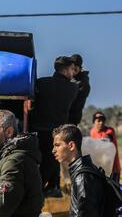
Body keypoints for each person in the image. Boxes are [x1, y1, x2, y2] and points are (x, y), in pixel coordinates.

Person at [29, 56, 78, 198]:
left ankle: (52, 187)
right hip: (55, 134)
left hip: (35, 130)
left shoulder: (41, 83)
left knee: (40, 163)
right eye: (72, 70)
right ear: (67, 70)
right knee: (50, 162)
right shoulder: (72, 88)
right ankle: (38, 191)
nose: (73, 73)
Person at [52, 124, 107, 217]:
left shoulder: (82, 177)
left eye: (57, 145)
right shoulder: (83, 171)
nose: (53, 150)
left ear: (71, 146)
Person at [90, 111, 120, 183]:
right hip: (101, 169)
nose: (101, 122)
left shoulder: (109, 131)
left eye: (102, 120)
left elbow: (107, 139)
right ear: (94, 122)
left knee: (114, 190)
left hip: (113, 168)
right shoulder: (92, 132)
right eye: (98, 120)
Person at [69, 54, 91, 125]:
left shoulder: (83, 83)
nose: (73, 70)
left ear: (80, 68)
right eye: (72, 67)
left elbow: (75, 103)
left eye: (76, 68)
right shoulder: (69, 78)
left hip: (72, 118)